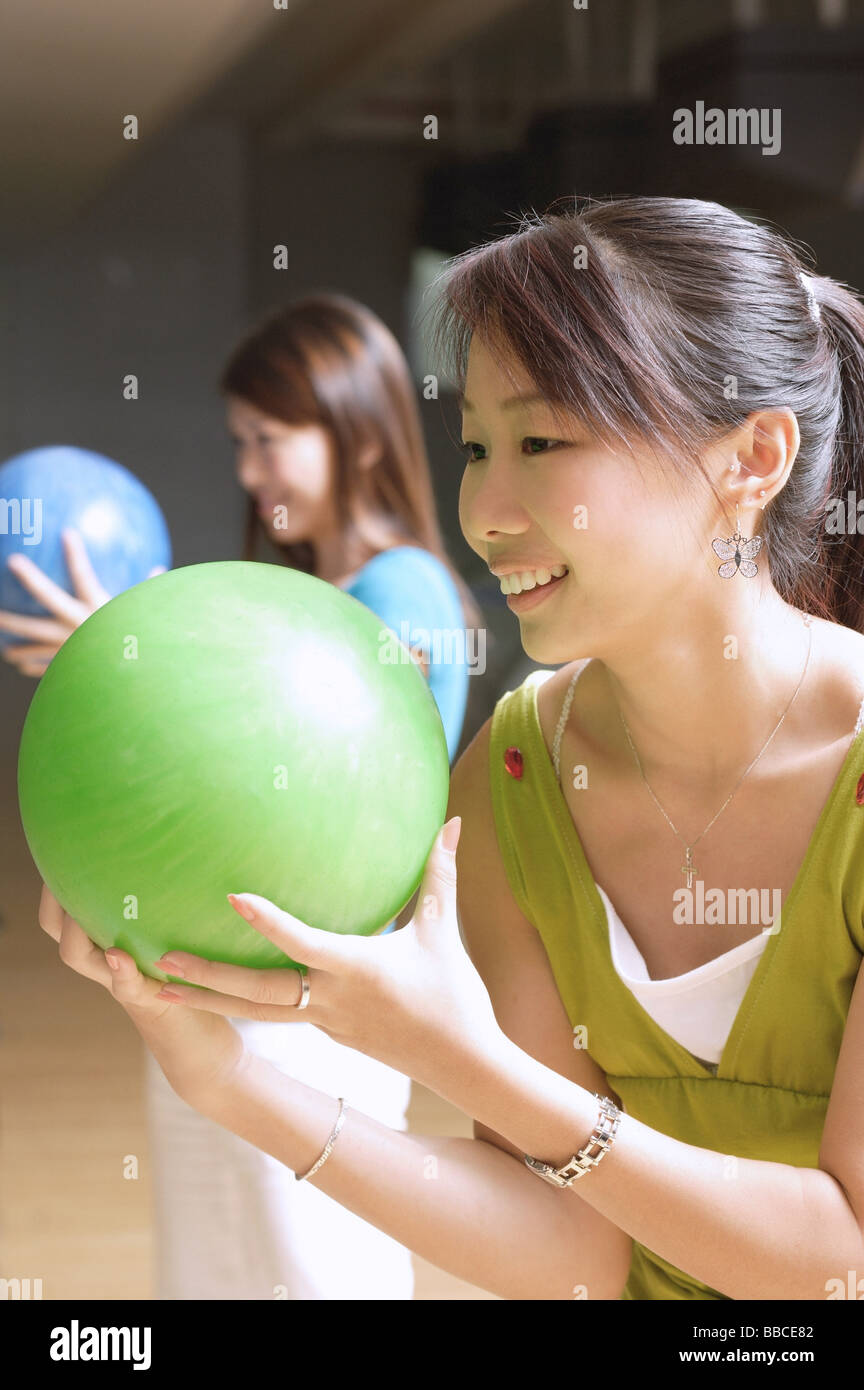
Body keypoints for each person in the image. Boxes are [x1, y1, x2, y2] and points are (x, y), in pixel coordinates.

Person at [32, 196, 864, 1300]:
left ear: (751, 458)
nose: (485, 510)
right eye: (476, 446)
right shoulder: (513, 776)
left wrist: (461, 1057)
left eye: (541, 441)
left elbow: (838, 1256)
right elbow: (572, 1253)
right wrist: (224, 1078)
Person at [1, 294, 474, 1299]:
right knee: (213, 1266)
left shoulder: (403, 588)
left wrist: (126, 653)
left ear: (357, 432)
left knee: (316, 1267)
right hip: (217, 976)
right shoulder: (291, 598)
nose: (250, 472)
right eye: (238, 443)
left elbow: (320, 775)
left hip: (317, 1006)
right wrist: (121, 667)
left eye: (270, 439)